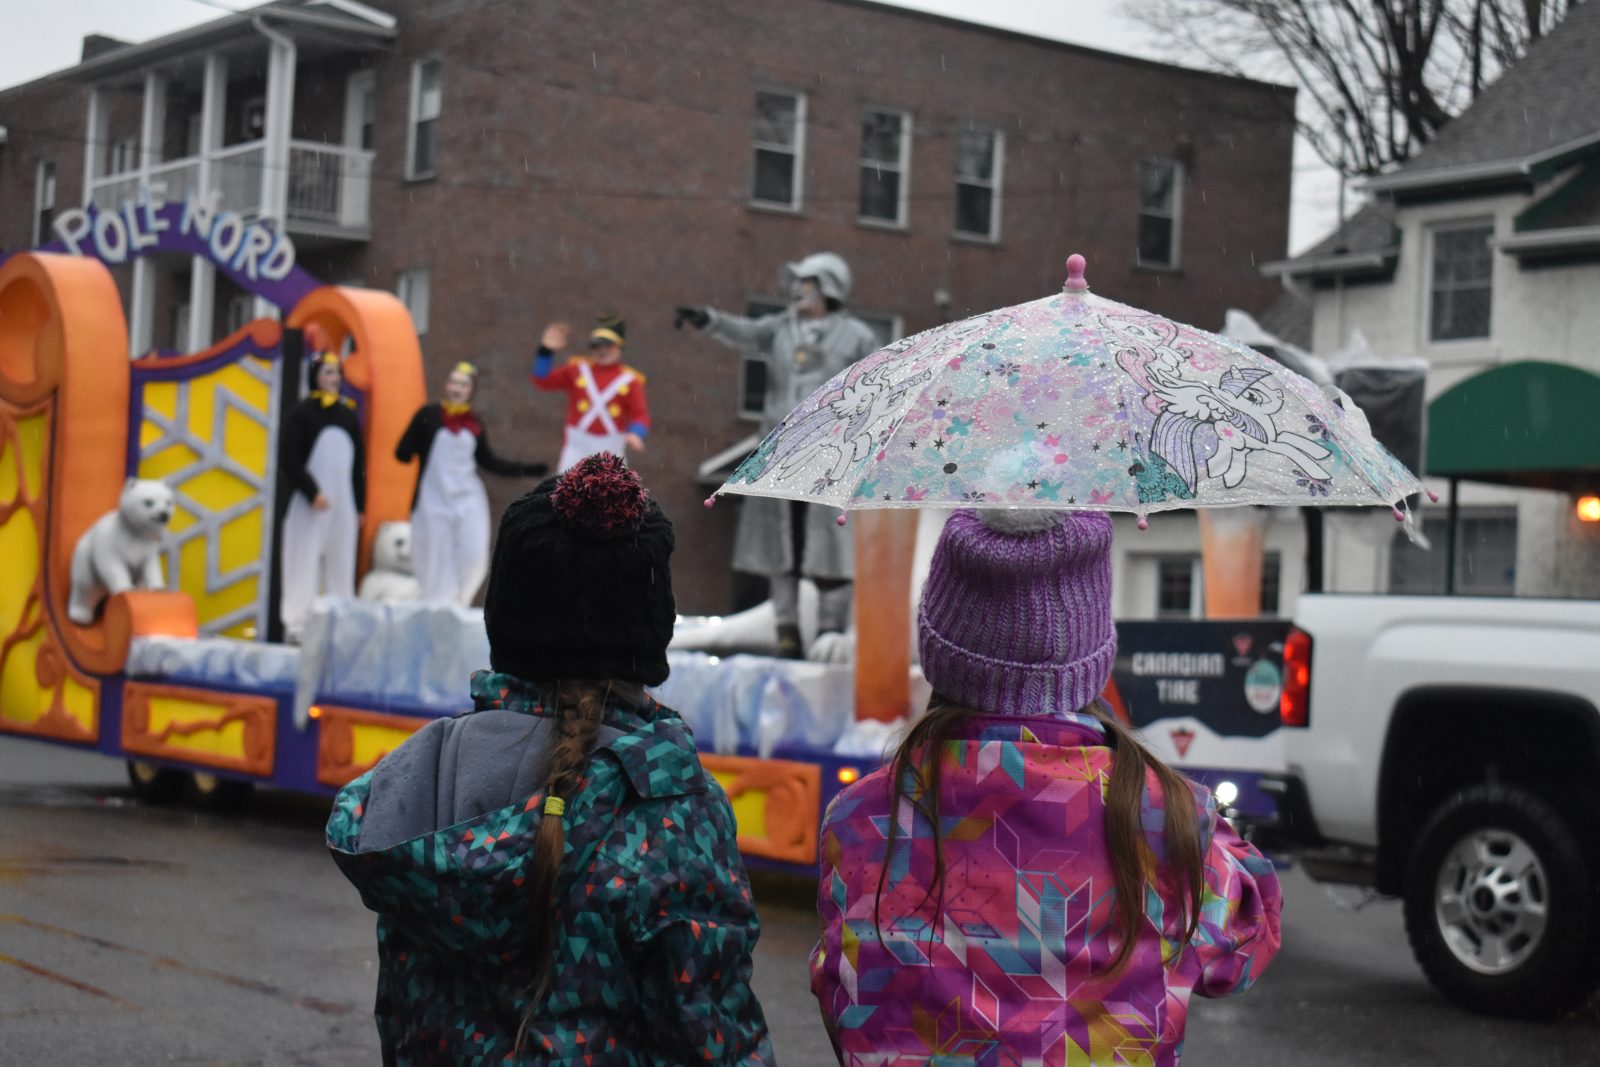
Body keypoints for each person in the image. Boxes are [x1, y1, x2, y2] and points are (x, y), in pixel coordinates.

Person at [326, 453, 773, 1065]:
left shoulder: (424, 772)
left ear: (504, 610)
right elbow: (712, 1034)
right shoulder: (669, 802)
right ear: (654, 621)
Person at [810, 509, 1283, 1065]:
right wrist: (1202, 827)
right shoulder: (1166, 817)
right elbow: (1244, 949)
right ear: (1093, 656)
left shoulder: (860, 819)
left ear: (940, 650)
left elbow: (840, 991)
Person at [675, 252, 878, 658]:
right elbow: (744, 332)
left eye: (809, 283)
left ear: (829, 288)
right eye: (799, 283)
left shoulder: (856, 336)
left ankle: (829, 630)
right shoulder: (781, 330)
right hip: (783, 453)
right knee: (782, 543)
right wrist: (708, 320)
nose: (800, 291)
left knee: (830, 546)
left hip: (832, 455)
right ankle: (786, 629)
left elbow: (876, 383)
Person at [395, 360, 547, 605]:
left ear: (470, 391)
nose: (457, 388)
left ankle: (459, 603)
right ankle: (435, 605)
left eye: (463, 384)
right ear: (446, 385)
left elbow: (489, 461)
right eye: (454, 382)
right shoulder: (429, 415)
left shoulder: (474, 423)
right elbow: (403, 451)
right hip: (433, 498)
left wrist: (527, 470)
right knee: (433, 555)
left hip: (467, 497)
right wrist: (409, 447)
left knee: (473, 556)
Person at [277, 348, 364, 643]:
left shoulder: (348, 415)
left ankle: (343, 621)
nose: (334, 378)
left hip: (343, 503)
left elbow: (358, 464)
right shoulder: (302, 413)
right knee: (303, 558)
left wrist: (359, 505)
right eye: (328, 373)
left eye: (337, 373)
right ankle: (297, 624)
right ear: (315, 377)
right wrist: (312, 491)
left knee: (341, 561)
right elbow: (289, 458)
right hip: (309, 503)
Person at [530, 314, 650, 471]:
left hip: (611, 451)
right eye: (597, 346)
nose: (602, 351)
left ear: (620, 347)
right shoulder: (577, 370)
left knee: (612, 494)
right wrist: (545, 350)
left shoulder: (630, 380)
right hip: (576, 448)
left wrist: (636, 433)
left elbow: (640, 414)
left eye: (608, 346)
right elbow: (542, 380)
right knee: (567, 492)